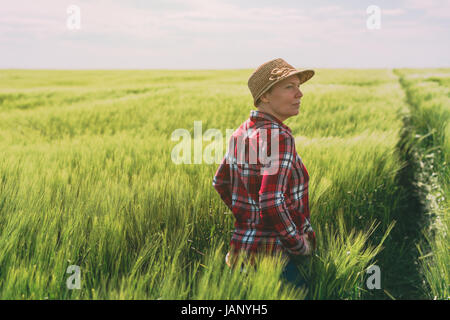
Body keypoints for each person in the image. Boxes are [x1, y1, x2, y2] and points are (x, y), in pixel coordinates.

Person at [212, 58, 317, 290]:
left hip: (242, 253)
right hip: (278, 258)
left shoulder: (241, 132)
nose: (299, 94)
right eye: (289, 87)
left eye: (299, 86)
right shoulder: (280, 137)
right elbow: (270, 201)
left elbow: (220, 182)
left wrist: (250, 220)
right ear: (265, 96)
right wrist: (299, 244)